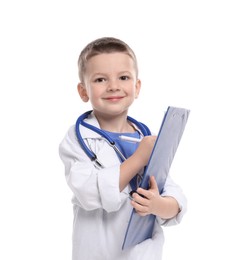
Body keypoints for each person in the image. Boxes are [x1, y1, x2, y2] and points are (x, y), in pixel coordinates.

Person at [59, 37, 187, 260]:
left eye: (124, 77)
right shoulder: (78, 139)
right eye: (100, 79)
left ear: (136, 87)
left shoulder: (145, 139)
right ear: (83, 91)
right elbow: (88, 192)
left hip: (143, 253)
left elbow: (174, 200)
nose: (113, 86)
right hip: (98, 252)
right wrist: (138, 159)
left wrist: (158, 205)